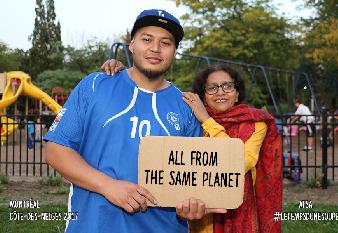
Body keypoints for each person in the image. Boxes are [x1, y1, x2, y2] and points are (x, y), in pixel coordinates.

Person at [44, 9, 225, 233]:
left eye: (165, 42)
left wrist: (192, 206)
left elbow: (191, 183)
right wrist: (108, 186)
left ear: (175, 51)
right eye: (147, 39)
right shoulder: (95, 85)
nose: (155, 48)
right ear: (132, 44)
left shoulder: (187, 107)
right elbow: (55, 150)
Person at [102, 62, 282, 233]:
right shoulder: (191, 118)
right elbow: (151, 99)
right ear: (203, 95)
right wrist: (127, 74)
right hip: (199, 213)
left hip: (241, 210)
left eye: (227, 86)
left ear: (237, 94)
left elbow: (238, 163)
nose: (220, 92)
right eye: (212, 88)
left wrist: (207, 121)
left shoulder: (255, 123)